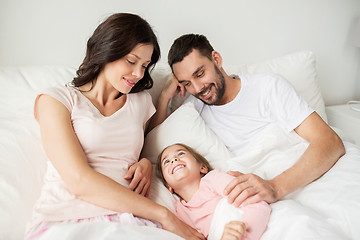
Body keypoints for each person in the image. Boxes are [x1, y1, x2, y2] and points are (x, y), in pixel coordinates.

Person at [25, 14, 204, 240]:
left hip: (128, 220)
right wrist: (164, 216)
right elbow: (79, 181)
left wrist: (147, 162)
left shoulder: (139, 102)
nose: (138, 74)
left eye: (145, 65)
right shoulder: (57, 100)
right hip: (65, 217)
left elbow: (147, 143)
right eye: (131, 61)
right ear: (106, 51)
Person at [149, 34, 345, 207]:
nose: (198, 87)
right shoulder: (194, 109)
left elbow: (330, 142)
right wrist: (164, 97)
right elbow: (154, 144)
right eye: (187, 83)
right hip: (262, 196)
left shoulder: (268, 87)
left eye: (200, 74)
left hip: (307, 175)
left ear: (216, 59)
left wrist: (275, 187)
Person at [156, 143, 271, 240]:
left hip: (255, 227)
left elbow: (256, 203)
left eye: (181, 153)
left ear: (202, 167)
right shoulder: (180, 211)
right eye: (166, 161)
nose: (174, 160)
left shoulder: (213, 179)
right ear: (168, 185)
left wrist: (245, 237)